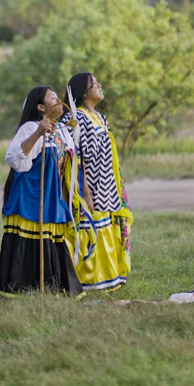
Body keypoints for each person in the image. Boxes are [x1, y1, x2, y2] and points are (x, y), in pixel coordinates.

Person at [0, 85, 82, 296]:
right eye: (52, 98)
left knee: (52, 240)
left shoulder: (62, 130)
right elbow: (15, 159)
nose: (58, 100)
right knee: (29, 240)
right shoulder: (30, 127)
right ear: (40, 107)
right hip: (31, 195)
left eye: (57, 97)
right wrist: (38, 132)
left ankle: (53, 286)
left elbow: (70, 166)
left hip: (52, 195)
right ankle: (25, 286)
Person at [66, 73, 133, 292]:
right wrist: (85, 193)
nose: (100, 85)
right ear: (84, 92)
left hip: (107, 184)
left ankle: (111, 275)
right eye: (94, 84)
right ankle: (91, 280)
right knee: (91, 229)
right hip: (90, 187)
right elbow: (76, 159)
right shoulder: (77, 118)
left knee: (107, 225)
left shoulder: (101, 118)